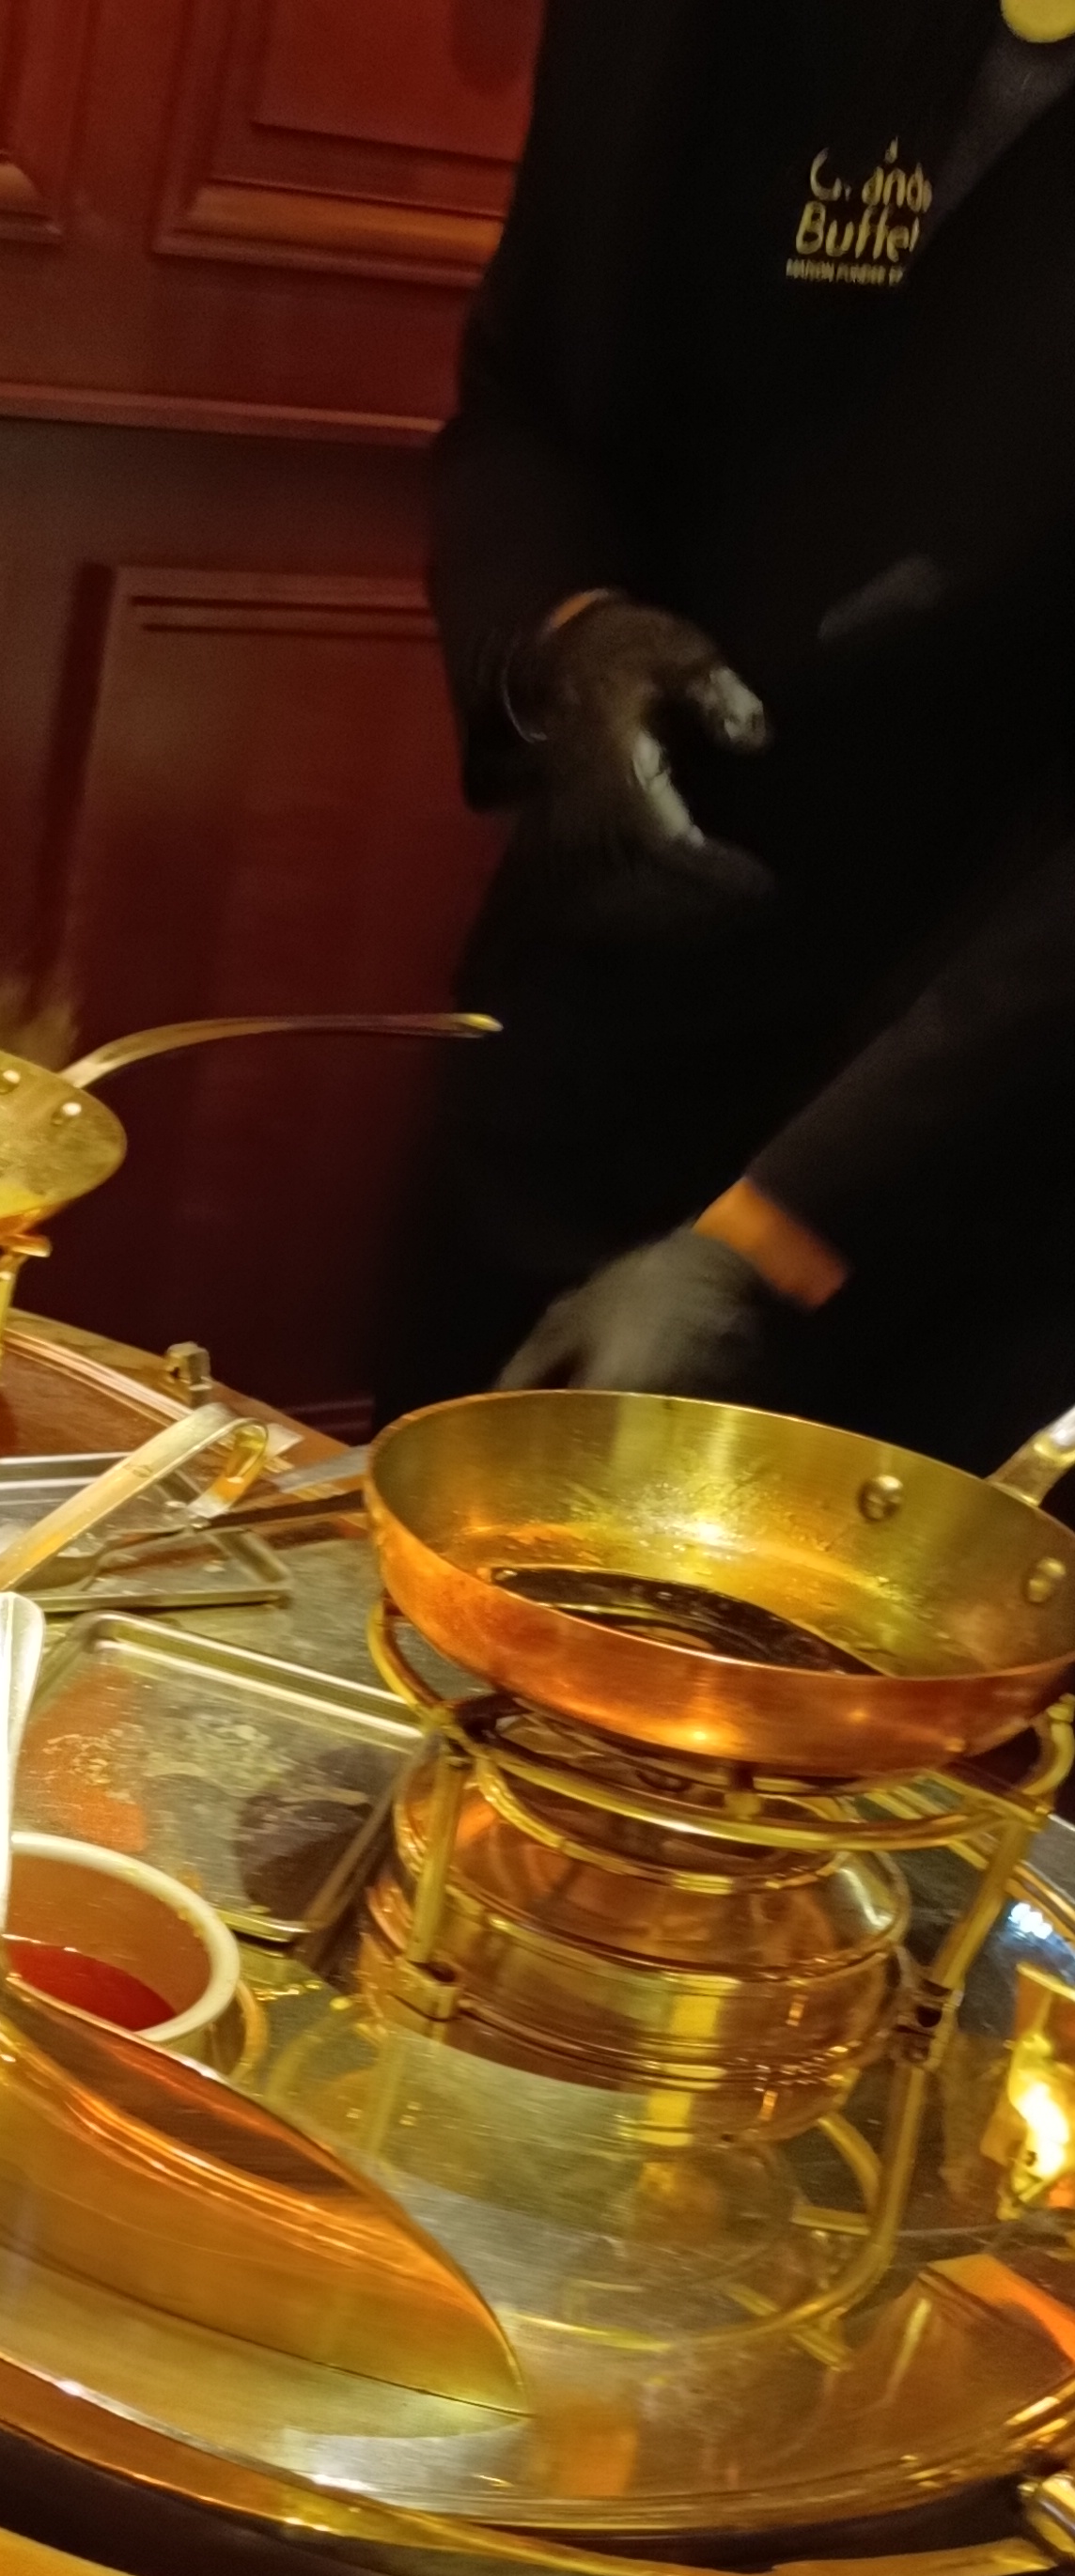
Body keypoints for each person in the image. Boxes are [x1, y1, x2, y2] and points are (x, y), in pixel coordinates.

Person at [380, 0, 1075, 1475]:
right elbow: (525, 399)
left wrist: (774, 1231)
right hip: (595, 1018)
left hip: (976, 1120)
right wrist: (564, 640)